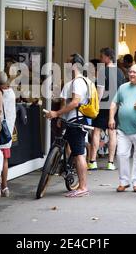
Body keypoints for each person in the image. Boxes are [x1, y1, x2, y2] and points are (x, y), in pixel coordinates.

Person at [45, 53, 90, 197]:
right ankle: (68, 170)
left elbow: (75, 102)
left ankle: (83, 187)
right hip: (69, 121)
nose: (65, 66)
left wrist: (57, 114)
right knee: (71, 149)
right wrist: (61, 117)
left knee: (78, 154)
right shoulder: (70, 82)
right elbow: (64, 101)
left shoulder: (78, 82)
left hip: (77, 121)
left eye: (68, 63)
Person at [109, 64, 136, 193]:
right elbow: (114, 103)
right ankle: (123, 182)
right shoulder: (123, 87)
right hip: (122, 128)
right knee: (121, 154)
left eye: (134, 72)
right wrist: (111, 118)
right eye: (130, 71)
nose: (131, 74)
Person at [89, 48, 125, 171]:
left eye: (102, 56)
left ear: (108, 57)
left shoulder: (102, 71)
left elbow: (100, 91)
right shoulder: (120, 72)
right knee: (112, 132)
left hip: (103, 105)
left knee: (96, 131)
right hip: (115, 106)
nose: (100, 58)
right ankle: (110, 162)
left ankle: (93, 161)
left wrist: (95, 106)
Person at [0, 71, 16, 198]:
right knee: (5, 158)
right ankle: (5, 187)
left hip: (1, 130)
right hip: (8, 129)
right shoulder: (11, 92)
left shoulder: (0, 93)